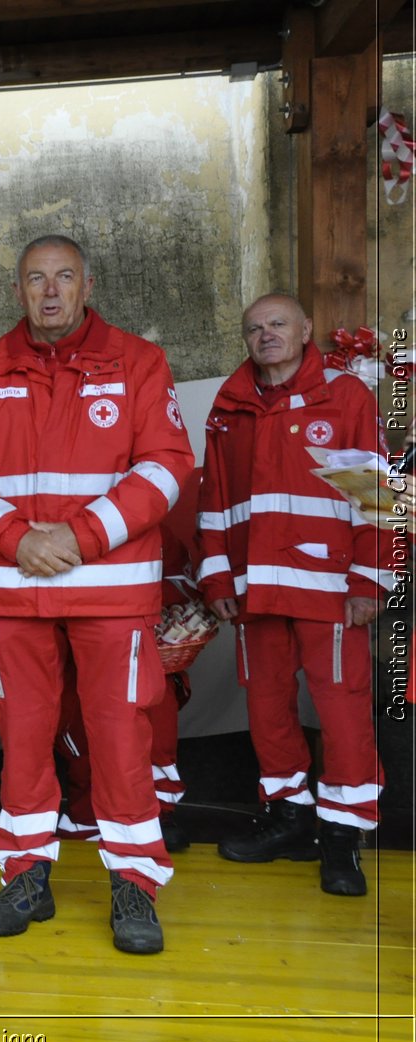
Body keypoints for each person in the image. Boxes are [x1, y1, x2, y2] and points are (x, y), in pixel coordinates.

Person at [0, 234, 193, 954]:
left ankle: (135, 884)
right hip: (14, 589)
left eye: (64, 278)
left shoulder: (138, 362)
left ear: (87, 284)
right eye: (35, 280)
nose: (49, 292)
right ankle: (25, 875)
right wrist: (17, 537)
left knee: (119, 738)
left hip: (110, 592)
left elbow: (167, 466)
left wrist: (78, 537)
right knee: (22, 740)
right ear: (17, 290)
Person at [196, 293, 394, 896]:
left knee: (343, 712)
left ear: (306, 330)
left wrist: (369, 581)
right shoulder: (229, 409)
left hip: (331, 592)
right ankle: (289, 818)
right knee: (267, 709)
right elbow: (215, 503)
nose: (266, 336)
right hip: (256, 592)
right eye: (254, 328)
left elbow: (379, 499)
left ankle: (342, 835)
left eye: (278, 324)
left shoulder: (348, 397)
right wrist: (217, 578)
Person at [55, 526, 197, 852]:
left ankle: (158, 811)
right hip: (72, 653)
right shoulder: (48, 525)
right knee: (75, 717)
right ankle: (86, 810)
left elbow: (182, 586)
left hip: (129, 642)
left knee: (151, 706)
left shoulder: (151, 528)